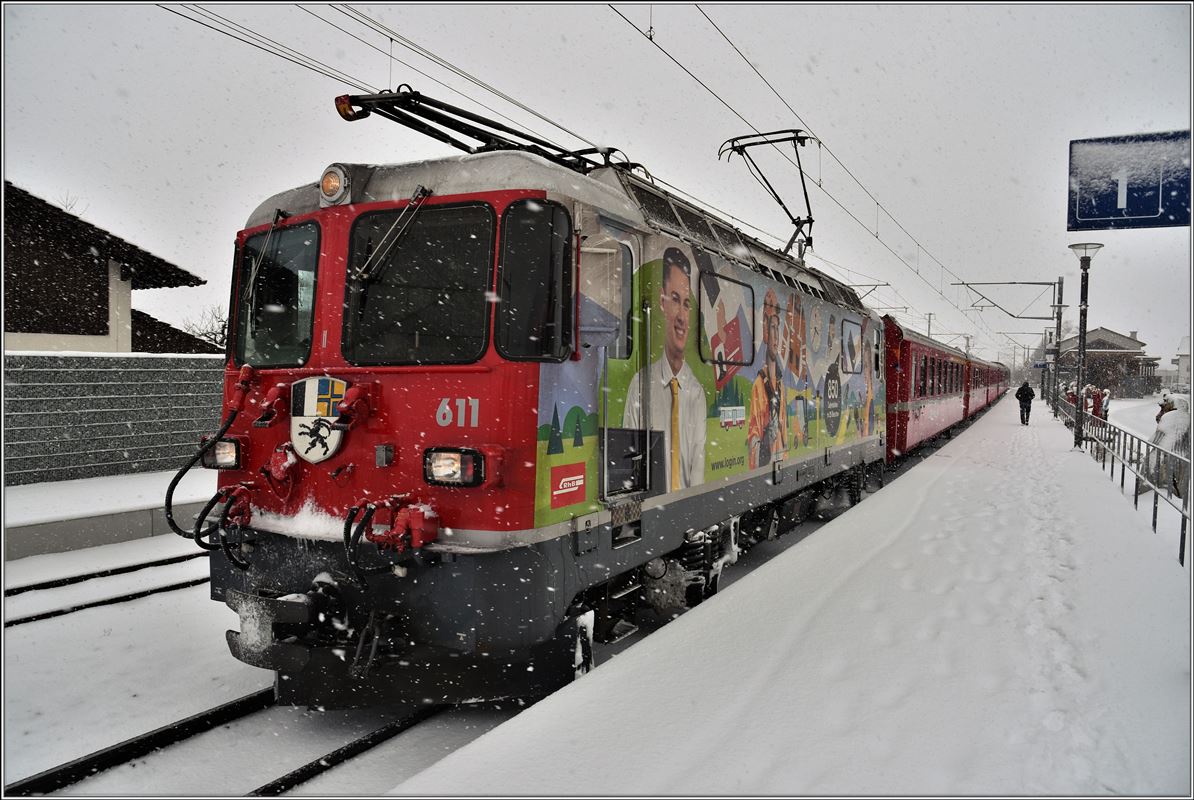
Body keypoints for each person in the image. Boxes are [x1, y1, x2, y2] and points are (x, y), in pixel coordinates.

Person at [623, 247, 705, 491]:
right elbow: (628, 460)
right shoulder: (639, 386)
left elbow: (698, 465)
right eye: (676, 299)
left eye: (687, 304)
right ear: (662, 302)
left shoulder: (697, 392)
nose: (681, 315)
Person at [748, 288, 789, 468]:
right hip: (768, 465)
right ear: (765, 332)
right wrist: (764, 441)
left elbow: (785, 436)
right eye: (772, 328)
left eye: (777, 329)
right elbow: (753, 438)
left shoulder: (780, 384)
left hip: (781, 464)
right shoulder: (758, 386)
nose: (776, 336)